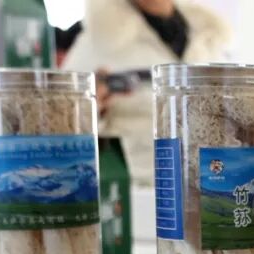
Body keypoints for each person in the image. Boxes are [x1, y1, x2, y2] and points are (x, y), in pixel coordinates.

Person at [62, 0, 231, 186]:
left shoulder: (207, 37)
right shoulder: (97, 42)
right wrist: (93, 108)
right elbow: (63, 124)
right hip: (140, 187)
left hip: (206, 183)